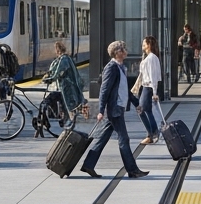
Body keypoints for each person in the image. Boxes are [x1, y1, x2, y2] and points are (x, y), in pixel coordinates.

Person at [80, 40, 148, 179]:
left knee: (103, 138)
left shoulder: (120, 67)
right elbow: (104, 90)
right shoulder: (111, 68)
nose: (126, 50)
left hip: (118, 107)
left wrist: (136, 103)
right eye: (124, 49)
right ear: (118, 53)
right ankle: (132, 170)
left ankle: (88, 164)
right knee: (124, 139)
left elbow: (124, 90)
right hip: (114, 109)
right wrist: (100, 110)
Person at [135, 36, 165, 145]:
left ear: (149, 44)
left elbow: (153, 76)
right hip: (146, 87)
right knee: (146, 111)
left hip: (149, 87)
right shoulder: (150, 57)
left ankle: (152, 134)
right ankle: (152, 133)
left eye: (144, 43)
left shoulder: (151, 58)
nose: (142, 44)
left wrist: (155, 92)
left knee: (141, 110)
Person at [44, 39, 86, 115]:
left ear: (58, 50)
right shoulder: (65, 58)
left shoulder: (64, 59)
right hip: (65, 86)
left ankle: (64, 118)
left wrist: (49, 79)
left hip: (67, 87)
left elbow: (57, 72)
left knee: (50, 101)